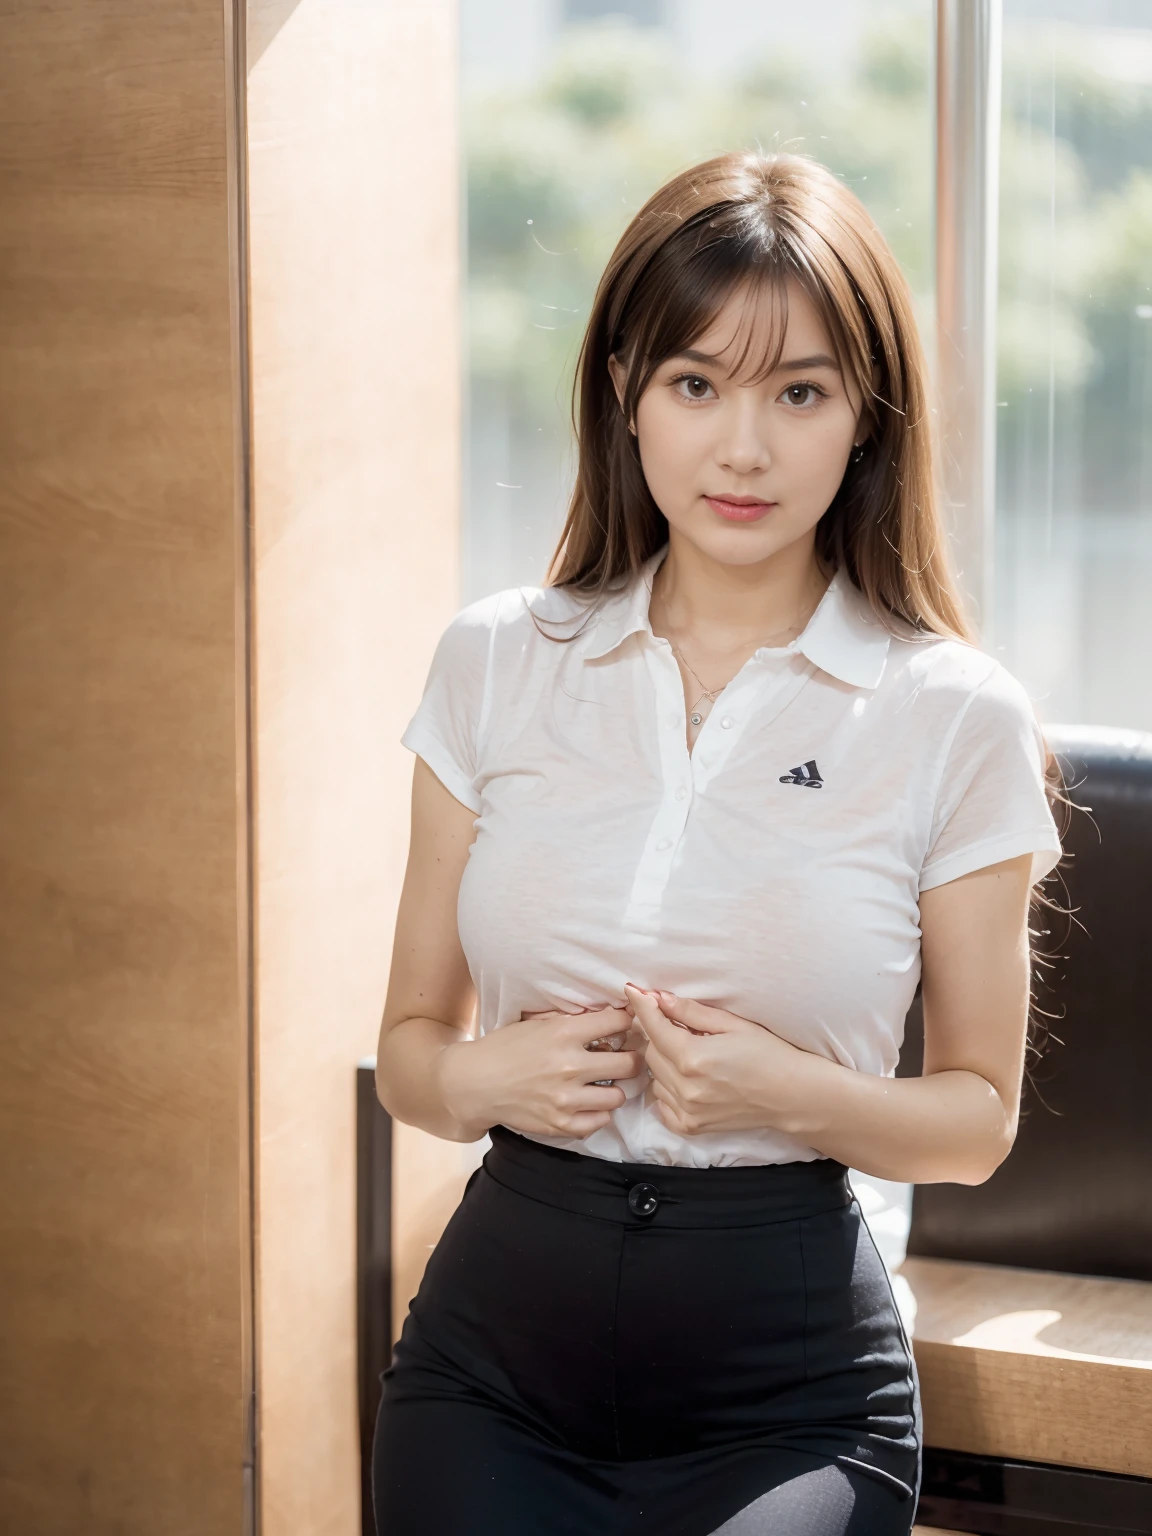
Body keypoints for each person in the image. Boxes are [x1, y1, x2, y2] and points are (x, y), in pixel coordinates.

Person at [370, 150, 1064, 1536]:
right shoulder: (499, 659)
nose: (743, 449)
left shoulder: (953, 714)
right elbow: (408, 1053)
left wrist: (779, 1092)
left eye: (799, 392)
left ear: (865, 421)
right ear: (626, 391)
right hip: (493, 1361)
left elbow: (978, 1120)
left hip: (789, 1390)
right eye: (696, 384)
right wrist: (484, 1077)